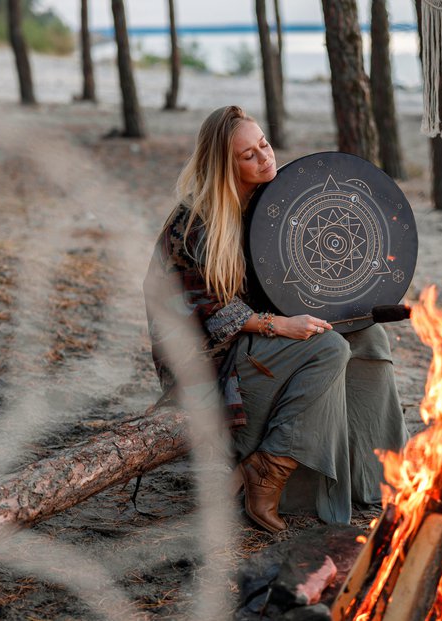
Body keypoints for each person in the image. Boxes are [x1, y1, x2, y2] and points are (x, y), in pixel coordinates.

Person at [143, 106, 408, 533]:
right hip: (210, 362)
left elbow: (293, 283)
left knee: (368, 338)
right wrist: (278, 325)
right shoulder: (196, 223)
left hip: (254, 341)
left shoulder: (272, 203)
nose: (265, 158)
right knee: (328, 348)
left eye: (263, 144)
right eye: (248, 155)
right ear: (223, 165)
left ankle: (378, 477)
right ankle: (270, 470)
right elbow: (210, 314)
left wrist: (364, 298)